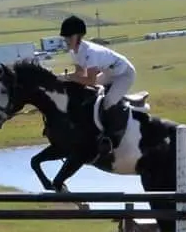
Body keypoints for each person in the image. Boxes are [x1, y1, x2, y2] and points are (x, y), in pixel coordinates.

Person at [58, 15, 137, 156]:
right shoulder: (75, 52)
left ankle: (110, 138)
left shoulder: (90, 52)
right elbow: (79, 74)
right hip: (109, 73)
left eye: (69, 38)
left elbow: (90, 80)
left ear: (78, 37)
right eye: (65, 38)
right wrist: (60, 78)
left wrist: (67, 77)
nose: (66, 41)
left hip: (124, 75)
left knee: (108, 102)